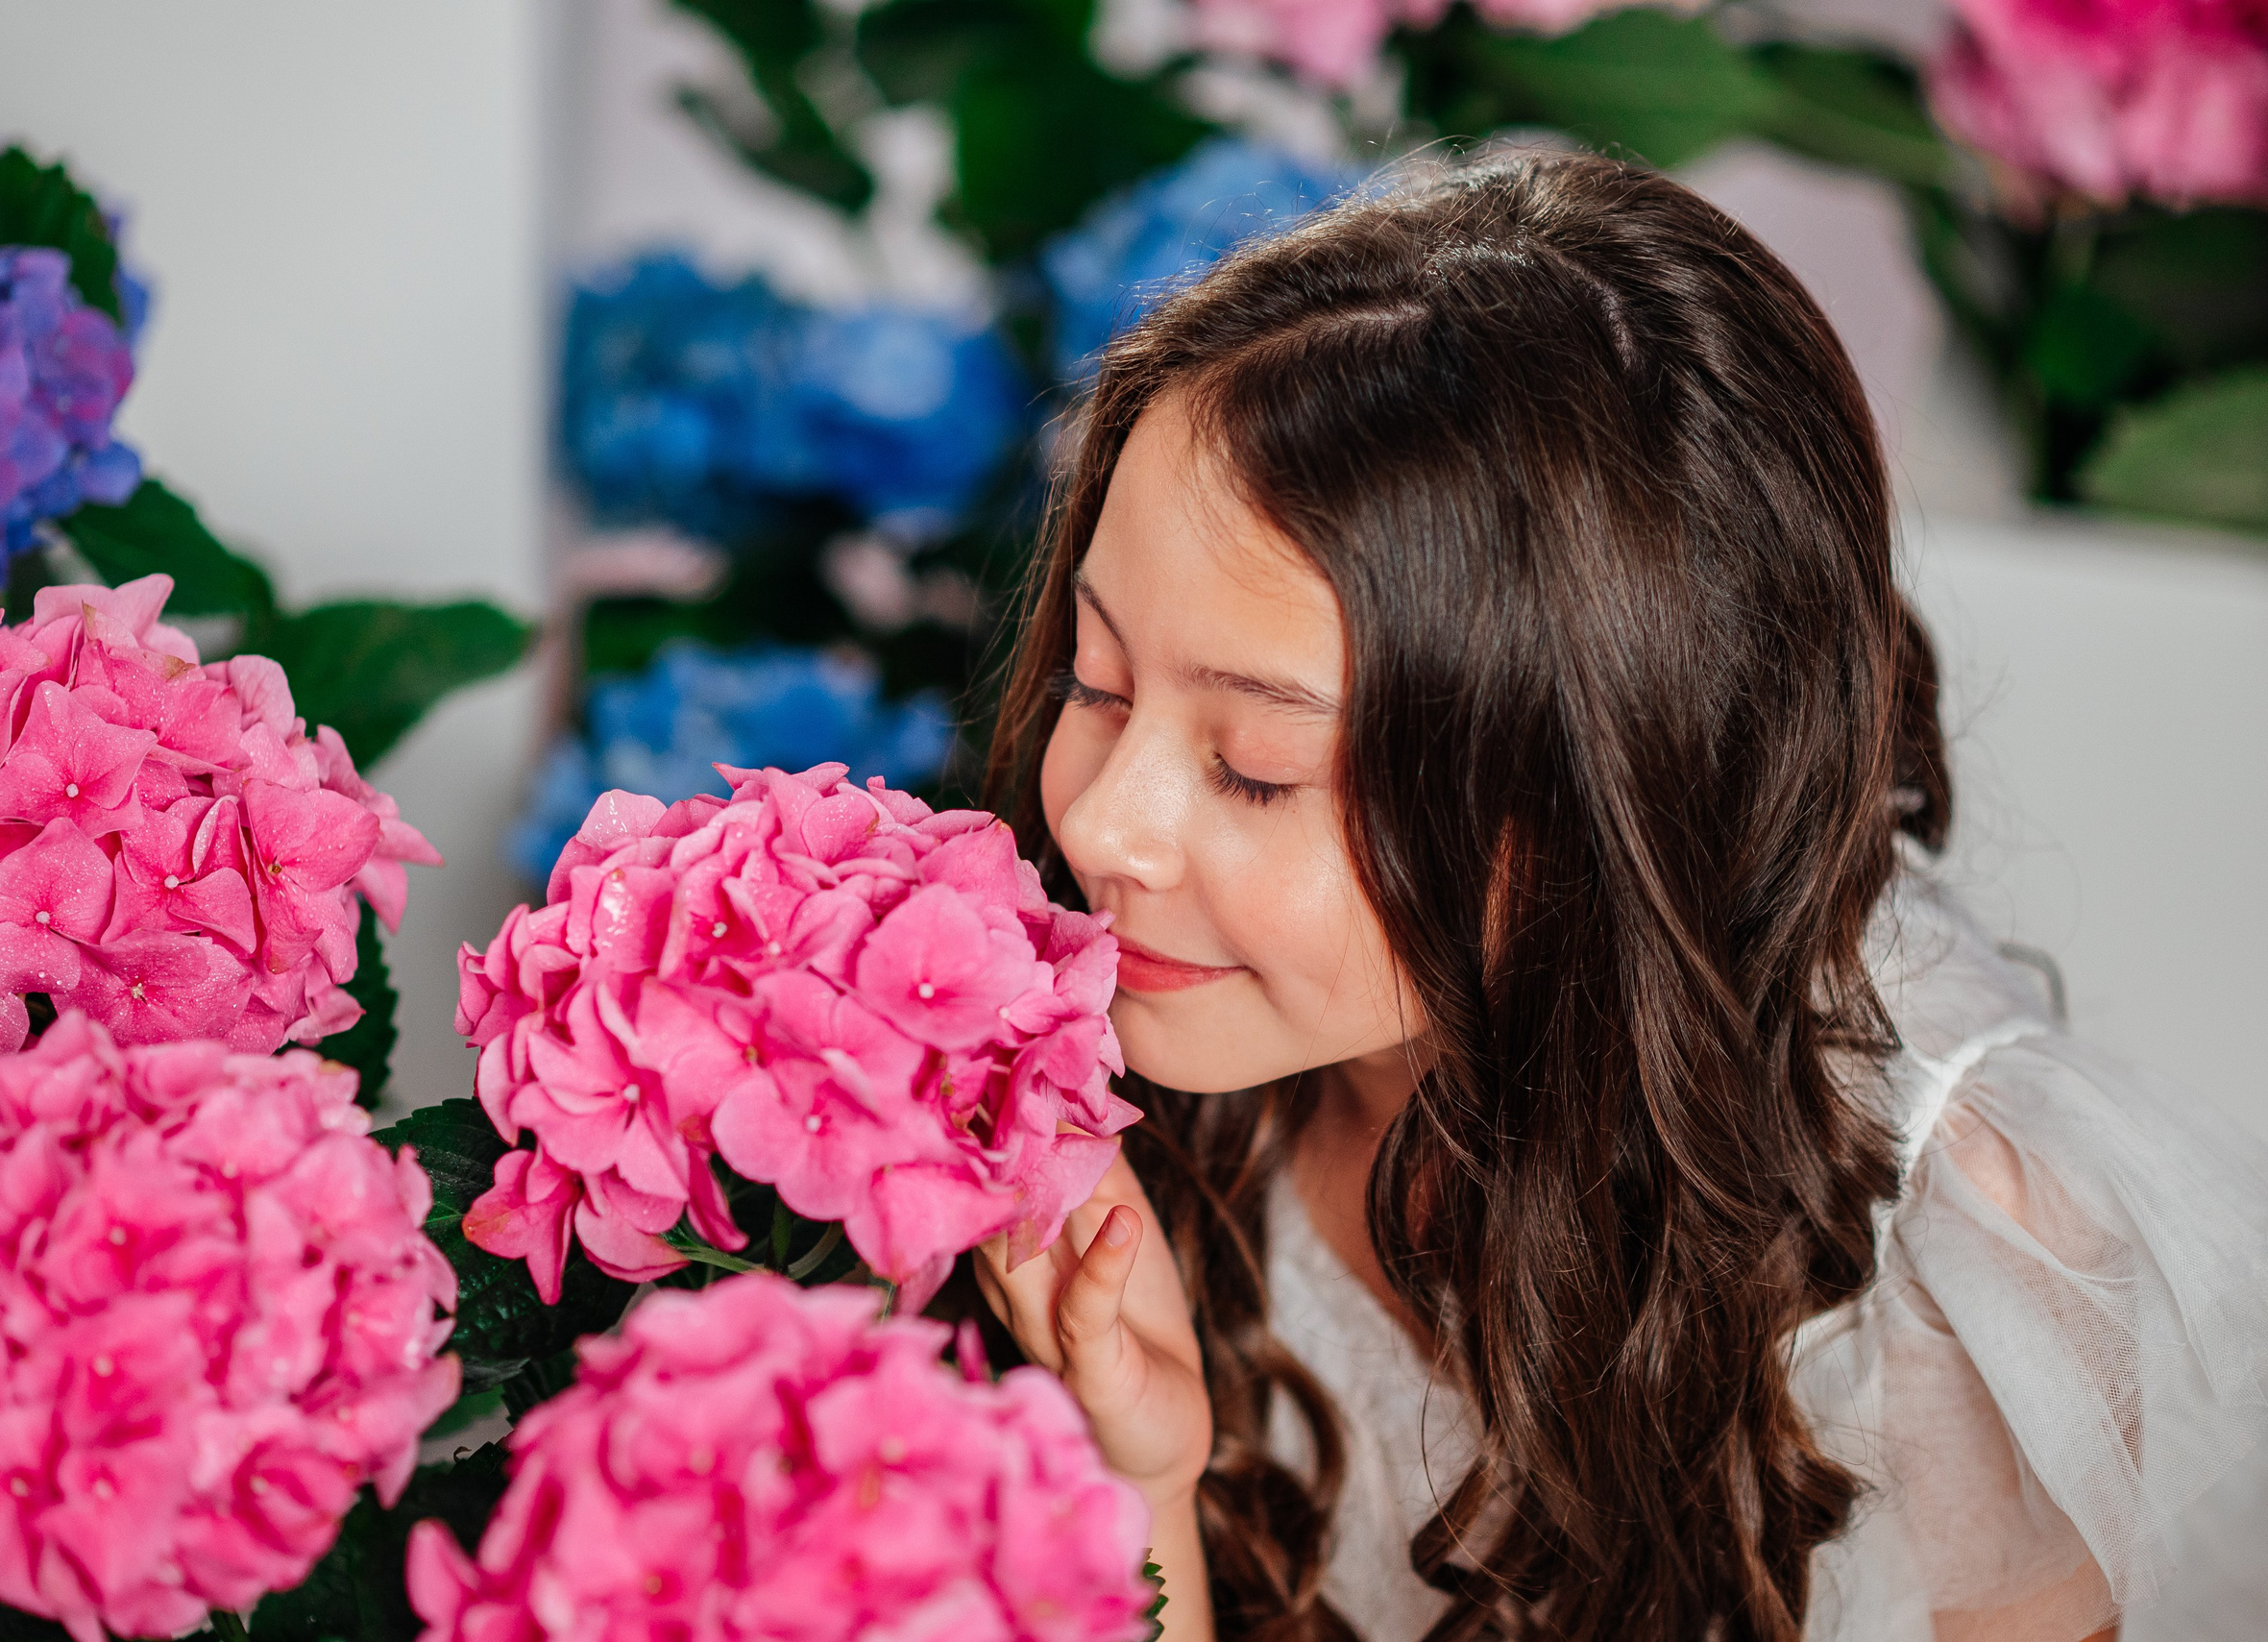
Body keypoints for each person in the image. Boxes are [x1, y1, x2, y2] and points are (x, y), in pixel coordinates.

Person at [967, 151, 2268, 1642]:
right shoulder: (1124, 1069)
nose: (1106, 825)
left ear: (1596, 813)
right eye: (1094, 673)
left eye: (1257, 769)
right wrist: (1136, 1487)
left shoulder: (1942, 1292)